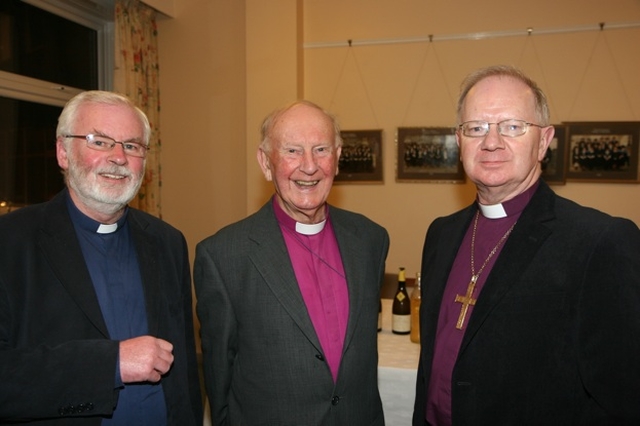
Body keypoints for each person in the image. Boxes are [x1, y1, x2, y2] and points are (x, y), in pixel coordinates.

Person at [412, 65, 640, 425]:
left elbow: (623, 399)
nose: (491, 142)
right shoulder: (441, 233)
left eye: (512, 126)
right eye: (476, 128)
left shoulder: (599, 241)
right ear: (459, 141)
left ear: (544, 141)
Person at [0, 91, 203, 425]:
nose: (119, 157)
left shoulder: (168, 242)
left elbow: (183, 377)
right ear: (63, 153)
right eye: (100, 141)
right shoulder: (9, 243)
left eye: (132, 145)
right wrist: (110, 363)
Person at [194, 100, 389, 425]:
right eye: (292, 151)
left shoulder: (370, 240)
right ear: (266, 162)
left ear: (338, 158)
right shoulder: (223, 255)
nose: (309, 167)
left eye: (321, 150)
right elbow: (219, 375)